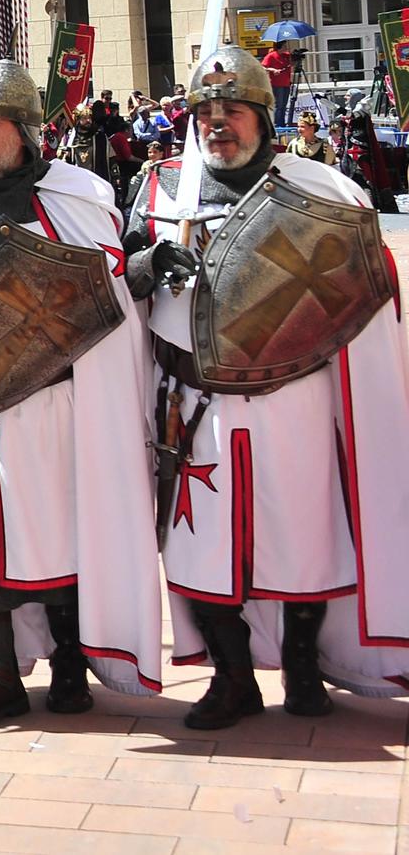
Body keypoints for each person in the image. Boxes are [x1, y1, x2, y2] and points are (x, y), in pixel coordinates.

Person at [122, 46, 409, 726]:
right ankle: (232, 676)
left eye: (233, 113)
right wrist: (149, 261)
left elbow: (363, 283)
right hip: (194, 403)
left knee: (304, 535)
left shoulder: (317, 189)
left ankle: (305, 669)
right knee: (202, 546)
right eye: (204, 114)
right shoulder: (162, 187)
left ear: (264, 117)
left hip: (294, 396)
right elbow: (119, 272)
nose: (216, 125)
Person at [0, 60, 161, 730]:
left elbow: (111, 285)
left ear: (26, 129)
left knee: (63, 537)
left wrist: (148, 268)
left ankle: (71, 667)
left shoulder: (83, 195)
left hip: (55, 404)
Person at [261, 40, 296, 128]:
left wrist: (295, 57)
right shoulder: (272, 55)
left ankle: (282, 123)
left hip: (286, 84)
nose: (286, 47)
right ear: (280, 46)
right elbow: (262, 67)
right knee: (278, 105)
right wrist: (273, 70)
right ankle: (277, 124)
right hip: (276, 84)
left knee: (284, 105)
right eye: (284, 45)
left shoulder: (286, 55)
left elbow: (293, 63)